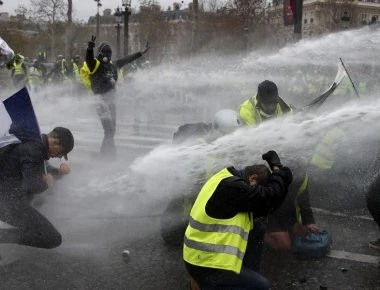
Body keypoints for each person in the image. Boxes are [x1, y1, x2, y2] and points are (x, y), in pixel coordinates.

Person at [183, 150, 292, 289]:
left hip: (200, 257)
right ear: (252, 179)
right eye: (259, 188)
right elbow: (268, 197)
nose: (258, 192)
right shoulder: (232, 187)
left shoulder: (229, 180)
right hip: (206, 264)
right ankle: (208, 283)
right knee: (262, 286)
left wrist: (281, 174)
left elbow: (269, 204)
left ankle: (242, 277)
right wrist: (277, 169)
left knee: (257, 229)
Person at [162, 110, 243, 247]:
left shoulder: (234, 149)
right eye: (227, 134)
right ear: (215, 129)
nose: (231, 138)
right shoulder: (198, 150)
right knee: (174, 238)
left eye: (234, 134)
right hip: (193, 212)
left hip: (210, 209)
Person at [0, 125, 74, 249]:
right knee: (52, 238)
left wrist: (60, 172)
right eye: (61, 153)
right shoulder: (34, 150)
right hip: (6, 204)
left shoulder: (34, 144)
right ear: (55, 142)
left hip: (7, 198)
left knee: (43, 200)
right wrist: (47, 183)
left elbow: (44, 170)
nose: (58, 157)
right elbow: (31, 185)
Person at [82, 35, 150, 158]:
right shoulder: (96, 64)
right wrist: (90, 49)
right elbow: (89, 60)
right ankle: (106, 156)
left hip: (111, 101)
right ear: (100, 53)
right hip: (100, 101)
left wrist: (141, 53)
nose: (107, 55)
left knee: (112, 131)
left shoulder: (114, 64)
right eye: (105, 53)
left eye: (109, 53)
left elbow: (128, 59)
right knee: (108, 130)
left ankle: (108, 154)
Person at [262, 157, 319, 251]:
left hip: (287, 213)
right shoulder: (271, 178)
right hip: (269, 215)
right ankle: (257, 234)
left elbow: (304, 200)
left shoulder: (301, 177)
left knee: (302, 233)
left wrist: (308, 222)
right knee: (285, 245)